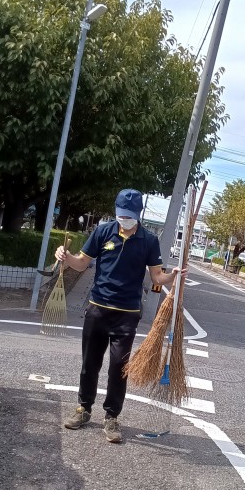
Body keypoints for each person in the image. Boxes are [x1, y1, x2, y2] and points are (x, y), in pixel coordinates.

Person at [55, 189, 185, 444]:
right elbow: (81, 263)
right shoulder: (103, 232)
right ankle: (83, 408)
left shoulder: (149, 240)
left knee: (119, 368)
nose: (124, 219)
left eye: (129, 215)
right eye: (121, 214)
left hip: (127, 314)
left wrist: (173, 276)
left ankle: (112, 416)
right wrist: (66, 257)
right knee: (89, 364)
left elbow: (157, 276)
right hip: (97, 308)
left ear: (138, 214)